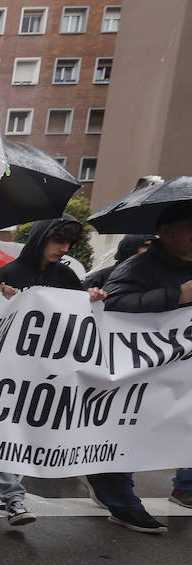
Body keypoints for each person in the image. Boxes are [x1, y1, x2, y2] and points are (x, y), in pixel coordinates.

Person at [0, 216, 103, 526]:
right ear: (40, 239)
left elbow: (78, 314)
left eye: (68, 242)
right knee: (10, 429)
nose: (64, 248)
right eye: (58, 240)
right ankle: (14, 499)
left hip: (47, 372)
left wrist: (92, 300)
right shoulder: (5, 274)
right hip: (5, 371)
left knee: (22, 430)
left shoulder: (68, 277)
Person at [85, 202, 192, 530]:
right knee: (129, 430)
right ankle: (119, 498)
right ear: (167, 231)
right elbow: (115, 306)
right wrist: (176, 295)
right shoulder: (140, 266)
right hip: (145, 369)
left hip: (183, 369)